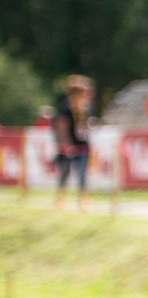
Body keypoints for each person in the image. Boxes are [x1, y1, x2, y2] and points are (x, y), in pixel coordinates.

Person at [52, 75, 93, 210]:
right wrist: (66, 144)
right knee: (65, 172)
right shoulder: (66, 107)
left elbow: (83, 126)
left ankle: (83, 199)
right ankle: (60, 198)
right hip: (69, 146)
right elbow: (62, 126)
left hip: (82, 144)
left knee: (82, 173)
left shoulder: (85, 107)